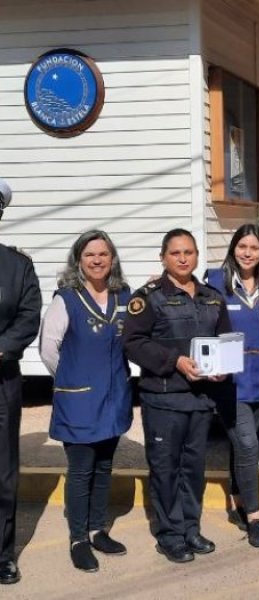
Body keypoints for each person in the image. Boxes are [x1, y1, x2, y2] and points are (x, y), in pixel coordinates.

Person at [123, 228, 232, 563]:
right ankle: (169, 534)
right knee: (166, 468)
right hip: (164, 398)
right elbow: (133, 343)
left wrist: (224, 366)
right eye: (176, 253)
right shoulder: (148, 297)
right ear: (163, 258)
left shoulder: (212, 297)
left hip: (200, 400)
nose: (183, 258)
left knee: (192, 468)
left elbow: (225, 338)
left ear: (197, 255)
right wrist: (175, 362)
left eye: (189, 252)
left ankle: (190, 528)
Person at [39, 230, 132, 573]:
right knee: (81, 471)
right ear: (78, 259)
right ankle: (78, 539)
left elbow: (137, 332)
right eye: (90, 255)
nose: (97, 260)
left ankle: (97, 529)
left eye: (103, 254)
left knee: (105, 467)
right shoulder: (67, 298)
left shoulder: (124, 295)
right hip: (79, 401)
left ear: (112, 258)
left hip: (114, 399)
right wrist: (71, 379)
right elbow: (49, 349)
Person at [205, 223, 259, 548]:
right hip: (230, 381)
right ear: (233, 248)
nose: (247, 253)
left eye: (254, 248)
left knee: (241, 443)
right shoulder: (215, 282)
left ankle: (237, 495)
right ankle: (255, 518)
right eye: (242, 246)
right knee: (248, 446)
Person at [0, 179, 42, 585]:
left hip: (2, 378)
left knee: (2, 470)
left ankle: (2, 554)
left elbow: (29, 315)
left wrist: (0, 350)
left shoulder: (17, 265)